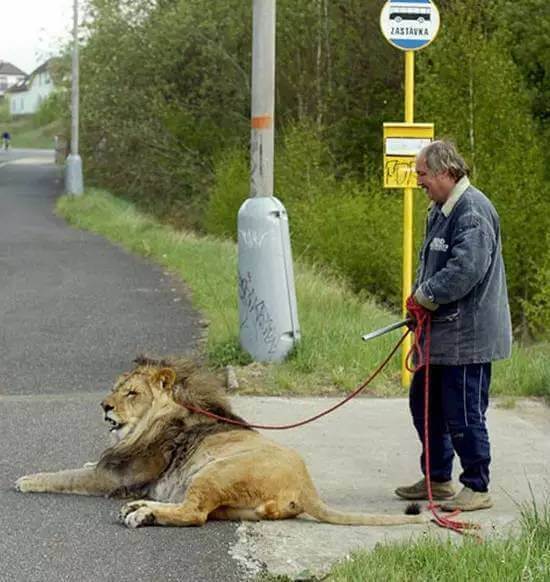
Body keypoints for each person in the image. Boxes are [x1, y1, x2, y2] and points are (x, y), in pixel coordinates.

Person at [395, 140, 512, 512]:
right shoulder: (440, 208)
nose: (419, 182)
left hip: (468, 337)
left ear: (446, 172)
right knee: (424, 404)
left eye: (423, 175)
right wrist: (419, 301)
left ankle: (477, 485)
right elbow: (432, 262)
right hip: (441, 332)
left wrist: (424, 295)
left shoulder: (473, 211)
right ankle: (438, 478)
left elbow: (465, 271)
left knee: (462, 411)